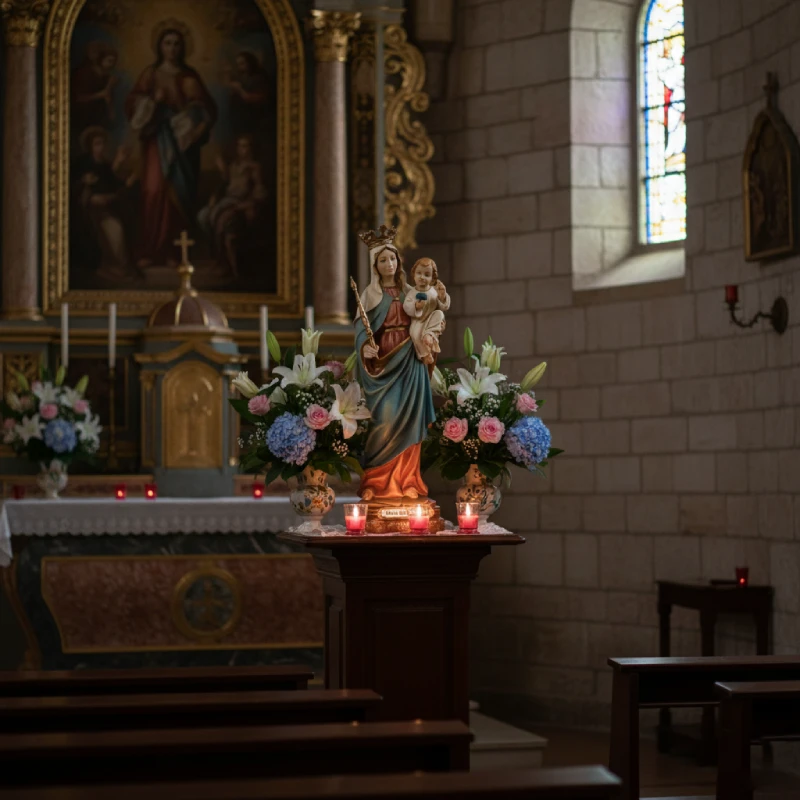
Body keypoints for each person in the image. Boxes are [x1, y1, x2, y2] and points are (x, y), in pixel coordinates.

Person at [125, 23, 217, 268]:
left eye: (177, 44)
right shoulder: (150, 74)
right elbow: (132, 103)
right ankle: (150, 249)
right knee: (153, 190)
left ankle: (175, 253)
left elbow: (208, 109)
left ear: (183, 47)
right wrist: (152, 102)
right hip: (157, 140)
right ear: (159, 46)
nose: (172, 48)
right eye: (167, 43)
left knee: (180, 193)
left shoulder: (189, 76)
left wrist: (192, 113)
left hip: (183, 145)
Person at [355, 227, 436, 503]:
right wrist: (365, 348)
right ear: (375, 266)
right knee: (384, 420)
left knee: (412, 419)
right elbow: (360, 332)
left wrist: (429, 333)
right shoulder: (369, 296)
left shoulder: (411, 292)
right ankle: (375, 483)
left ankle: (409, 481)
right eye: (383, 260)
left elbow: (429, 319)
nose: (389, 264)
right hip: (383, 363)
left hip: (410, 358)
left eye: (392, 258)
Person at [70, 126, 135, 280]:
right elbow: (70, 186)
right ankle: (104, 266)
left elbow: (114, 186)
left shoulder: (105, 165)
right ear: (90, 146)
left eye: (103, 143)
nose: (101, 147)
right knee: (103, 233)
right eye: (97, 144)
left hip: (104, 210)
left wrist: (127, 183)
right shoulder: (82, 163)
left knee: (117, 230)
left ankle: (117, 267)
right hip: (86, 212)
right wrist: (85, 185)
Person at [197, 135, 266, 278]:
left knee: (222, 220)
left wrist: (249, 204)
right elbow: (226, 183)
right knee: (202, 216)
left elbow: (259, 191)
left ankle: (226, 263)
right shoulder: (234, 165)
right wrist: (215, 196)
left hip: (239, 203)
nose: (243, 149)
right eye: (240, 146)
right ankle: (216, 256)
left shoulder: (254, 167)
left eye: (246, 146)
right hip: (227, 200)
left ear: (251, 148)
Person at [403, 257, 450, 367]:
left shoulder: (434, 291)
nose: (422, 277)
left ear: (433, 278)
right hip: (418, 321)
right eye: (419, 273)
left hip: (431, 321)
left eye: (427, 275)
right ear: (413, 275)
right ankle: (425, 354)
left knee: (439, 314)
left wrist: (442, 296)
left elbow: (443, 307)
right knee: (414, 334)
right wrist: (416, 306)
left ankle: (429, 334)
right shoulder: (412, 293)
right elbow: (406, 306)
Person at [71, 42, 119, 136]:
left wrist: (109, 103)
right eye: (109, 61)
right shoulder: (84, 73)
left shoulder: (107, 79)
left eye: (114, 62)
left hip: (99, 120)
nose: (111, 65)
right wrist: (99, 95)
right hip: (83, 118)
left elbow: (109, 105)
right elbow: (77, 98)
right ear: (101, 59)